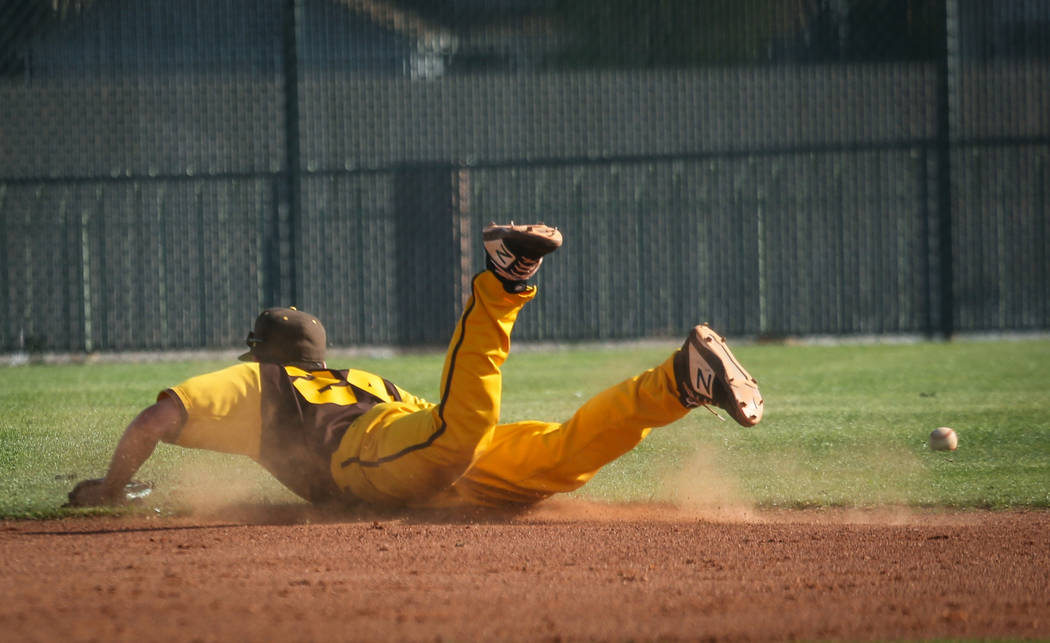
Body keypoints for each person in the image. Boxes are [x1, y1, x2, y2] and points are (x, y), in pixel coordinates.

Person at [66, 223, 764, 510]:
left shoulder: (263, 382)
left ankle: (504, 280)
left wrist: (107, 486)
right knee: (558, 458)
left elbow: (155, 418)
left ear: (266, 354)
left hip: (377, 453)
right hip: (414, 446)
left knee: (461, 429)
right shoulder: (358, 379)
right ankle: (680, 380)